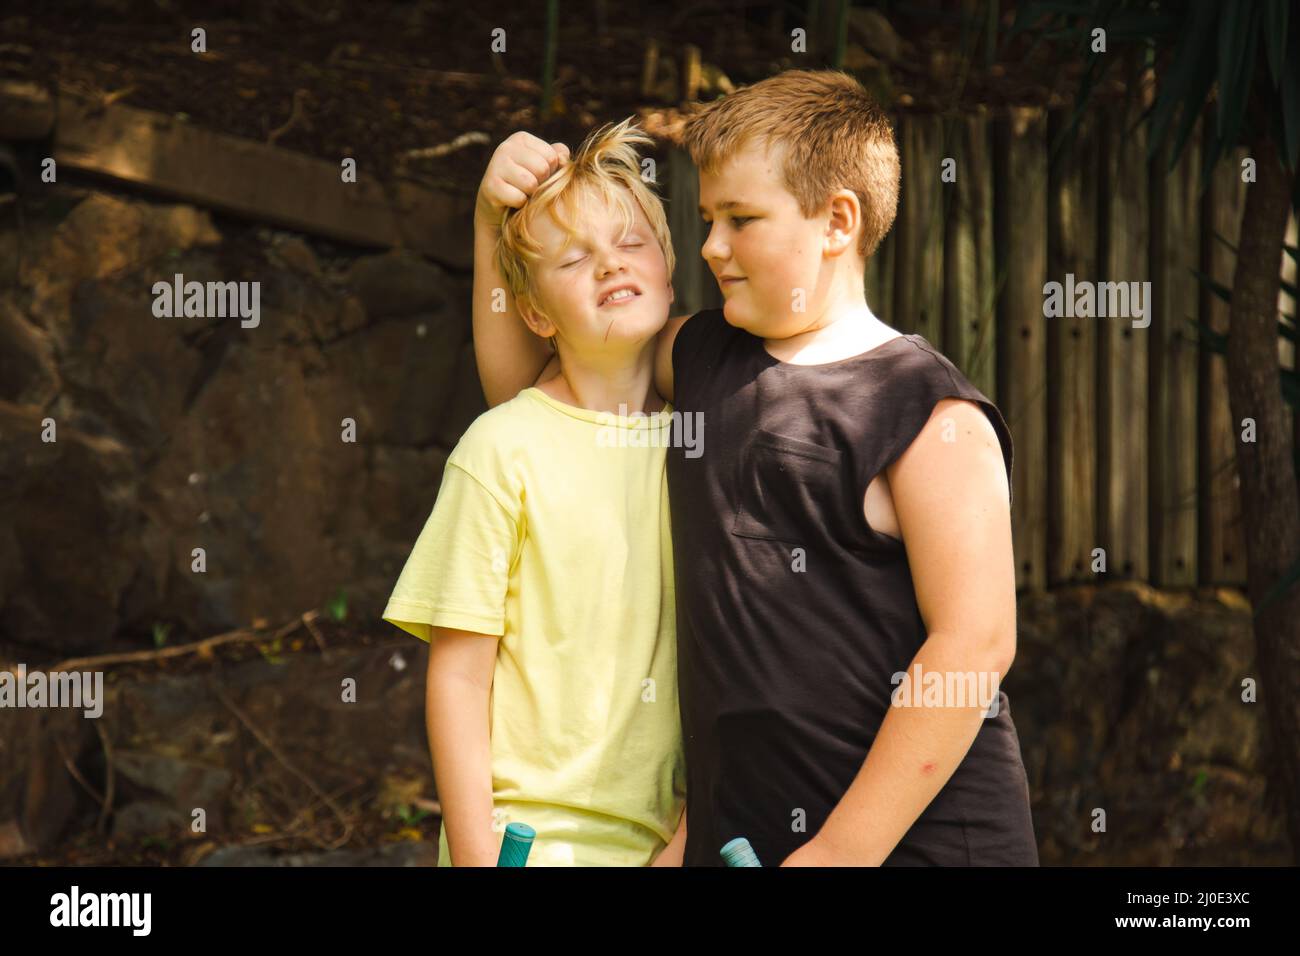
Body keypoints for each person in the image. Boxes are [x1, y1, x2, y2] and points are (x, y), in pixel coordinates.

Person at [477, 69, 1038, 866]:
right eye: (707, 219)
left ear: (837, 221)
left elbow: (974, 644)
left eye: (741, 219)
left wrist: (842, 852)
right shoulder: (702, 356)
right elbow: (532, 395)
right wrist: (485, 224)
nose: (709, 246)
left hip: (925, 845)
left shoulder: (930, 413)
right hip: (745, 842)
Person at [383, 119, 686, 866]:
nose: (609, 264)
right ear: (537, 314)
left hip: (656, 845)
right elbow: (457, 676)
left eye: (630, 243)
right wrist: (481, 854)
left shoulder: (702, 451)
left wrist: (687, 843)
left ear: (671, 270)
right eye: (576, 257)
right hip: (518, 842)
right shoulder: (503, 449)